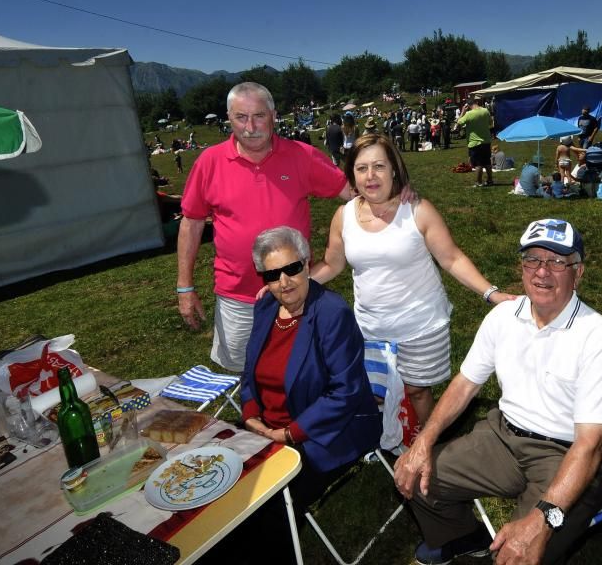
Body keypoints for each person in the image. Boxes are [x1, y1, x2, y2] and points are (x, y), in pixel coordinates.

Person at [394, 219, 602, 565]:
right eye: (533, 259)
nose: (542, 272)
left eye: (557, 262)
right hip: (503, 437)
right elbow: (464, 384)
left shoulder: (597, 337)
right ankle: (461, 539)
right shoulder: (503, 316)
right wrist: (423, 442)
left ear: (578, 273)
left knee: (519, 554)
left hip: (565, 455)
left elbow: (590, 445)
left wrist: (541, 519)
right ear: (521, 267)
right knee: (417, 478)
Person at [311, 135, 516, 428]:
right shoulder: (343, 216)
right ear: (352, 174)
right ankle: (389, 436)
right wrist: (293, 282)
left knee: (419, 391)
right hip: (371, 328)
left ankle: (427, 444)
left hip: (420, 325)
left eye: (379, 166)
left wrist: (491, 294)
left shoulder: (417, 210)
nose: (371, 176)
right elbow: (332, 264)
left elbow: (451, 258)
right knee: (376, 391)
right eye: (362, 168)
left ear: (394, 169)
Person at [175, 82, 352, 372]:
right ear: (228, 119)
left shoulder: (302, 155)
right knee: (244, 373)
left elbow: (352, 193)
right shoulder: (209, 162)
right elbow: (192, 223)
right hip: (237, 297)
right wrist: (185, 287)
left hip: (295, 292)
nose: (250, 127)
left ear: (273, 115)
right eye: (240, 117)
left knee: (301, 372)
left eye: (258, 116)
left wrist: (396, 193)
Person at [230, 226, 381, 564]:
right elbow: (250, 370)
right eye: (272, 274)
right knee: (221, 480)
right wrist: (252, 416)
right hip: (265, 424)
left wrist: (288, 434)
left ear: (307, 263)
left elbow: (345, 391)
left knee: (269, 503)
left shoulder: (331, 313)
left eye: (292, 268)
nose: (284, 281)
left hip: (327, 431)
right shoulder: (266, 307)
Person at [458, 96, 495, 187]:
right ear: (476, 102)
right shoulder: (485, 111)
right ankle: (490, 180)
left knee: (478, 164)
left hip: (474, 143)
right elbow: (490, 123)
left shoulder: (469, 114)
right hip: (486, 141)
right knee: (487, 162)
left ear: (468, 105)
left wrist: (463, 111)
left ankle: (478, 182)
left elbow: (459, 123)